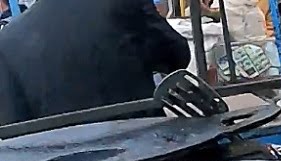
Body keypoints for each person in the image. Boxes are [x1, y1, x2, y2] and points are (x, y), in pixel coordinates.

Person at [0, 0, 189, 125]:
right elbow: (177, 54)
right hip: (145, 154)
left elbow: (14, 126)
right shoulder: (120, 4)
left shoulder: (8, 40)